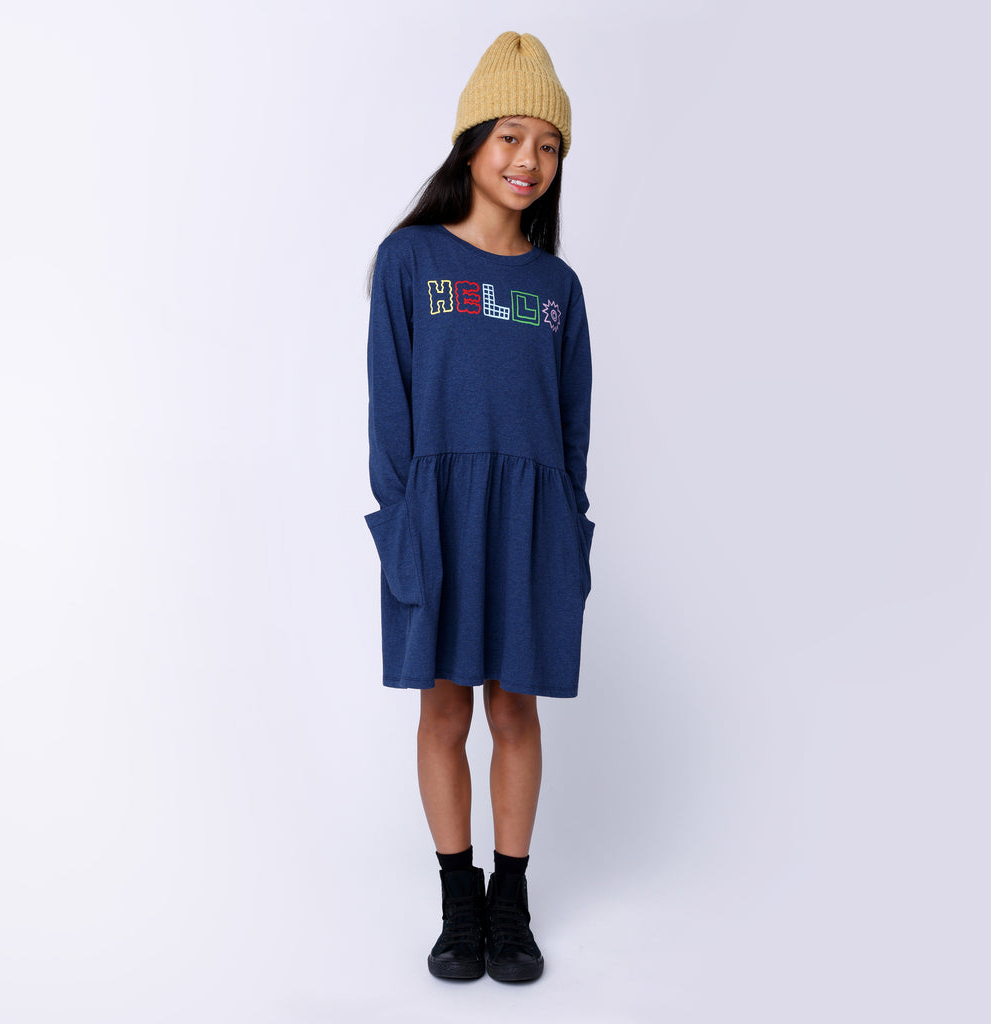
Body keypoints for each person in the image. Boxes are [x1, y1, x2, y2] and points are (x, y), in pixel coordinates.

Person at [363, 31, 594, 983]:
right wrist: (402, 527)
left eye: (548, 145)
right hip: (440, 516)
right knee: (444, 708)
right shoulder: (410, 260)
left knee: (516, 710)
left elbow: (573, 429)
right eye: (511, 136)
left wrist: (571, 535)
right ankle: (458, 900)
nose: (528, 160)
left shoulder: (557, 288)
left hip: (532, 521)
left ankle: (512, 900)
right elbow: (390, 409)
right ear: (471, 142)